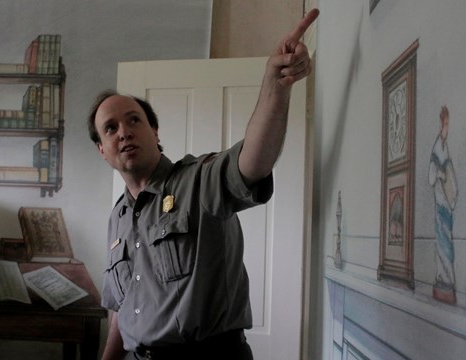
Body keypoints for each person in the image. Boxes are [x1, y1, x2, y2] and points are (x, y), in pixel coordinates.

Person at [87, 9, 319, 360]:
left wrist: (276, 86)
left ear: (155, 132)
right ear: (103, 150)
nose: (124, 132)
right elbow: (120, 308)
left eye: (134, 120)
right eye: (111, 128)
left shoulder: (198, 181)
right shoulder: (117, 219)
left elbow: (253, 161)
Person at [429, 105, 458, 304]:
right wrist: (440, 174)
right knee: (443, 245)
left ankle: (447, 280)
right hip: (441, 206)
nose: (447, 128)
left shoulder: (443, 149)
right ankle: (443, 279)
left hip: (445, 207)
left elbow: (449, 177)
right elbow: (433, 175)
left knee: (447, 245)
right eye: (445, 124)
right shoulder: (437, 149)